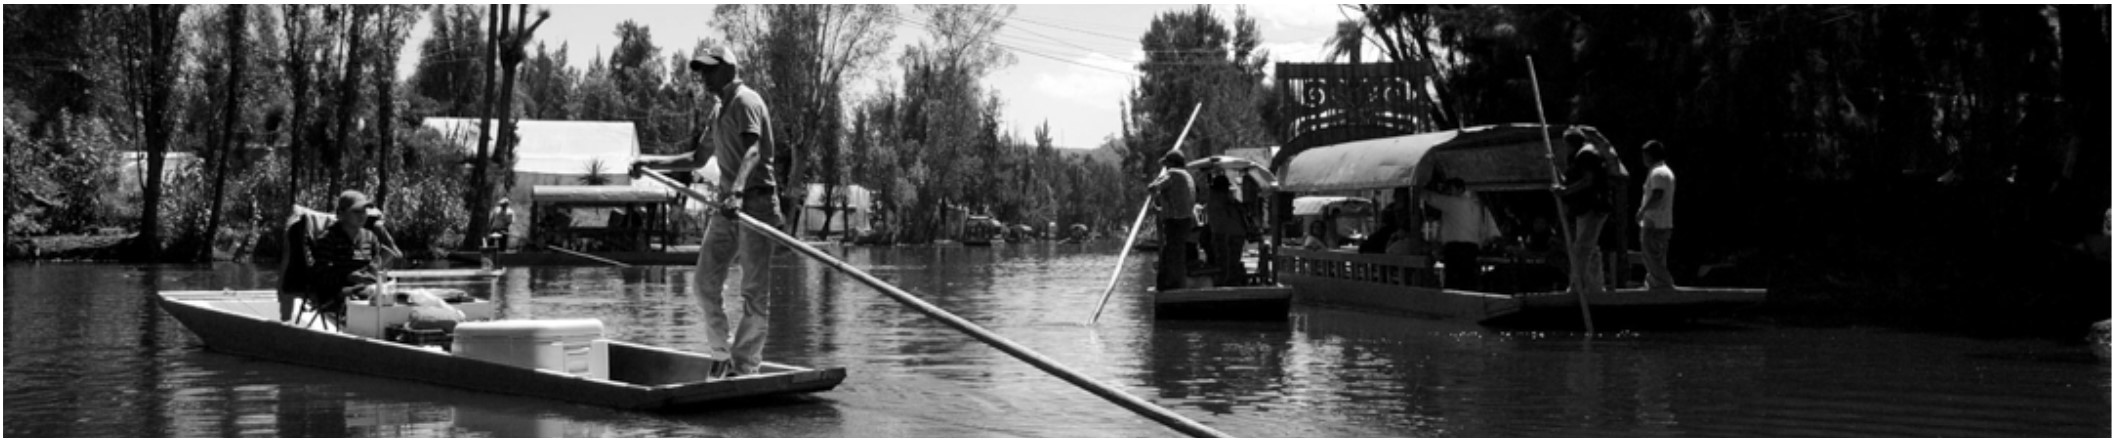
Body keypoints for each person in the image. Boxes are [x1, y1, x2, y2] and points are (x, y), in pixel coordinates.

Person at [632, 46, 786, 379]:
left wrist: (737, 192)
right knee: (704, 283)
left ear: (729, 68)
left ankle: (744, 367)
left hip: (755, 203)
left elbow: (754, 150)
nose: (703, 76)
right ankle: (722, 354)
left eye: (710, 69)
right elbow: (698, 158)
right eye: (700, 70)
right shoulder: (718, 110)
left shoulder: (746, 101)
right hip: (727, 206)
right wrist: (650, 162)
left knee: (754, 292)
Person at [308, 190, 402, 325]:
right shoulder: (327, 239)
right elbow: (320, 276)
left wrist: (375, 272)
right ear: (341, 214)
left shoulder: (370, 237)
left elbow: (376, 264)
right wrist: (348, 277)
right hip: (337, 295)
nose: (362, 215)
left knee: (399, 298)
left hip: (367, 291)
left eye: (364, 211)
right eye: (356, 211)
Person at [1555, 128, 1611, 294]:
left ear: (1570, 143)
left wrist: (1566, 191)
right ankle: (1595, 286)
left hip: (1592, 208)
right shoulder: (1579, 156)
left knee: (1582, 249)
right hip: (1585, 209)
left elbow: (1588, 180)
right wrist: (1555, 170)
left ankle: (1577, 286)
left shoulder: (1586, 155)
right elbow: (1571, 179)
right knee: (1590, 248)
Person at [1425, 177, 1499, 290]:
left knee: (1453, 281)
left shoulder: (1452, 202)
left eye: (1450, 188)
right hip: (1472, 247)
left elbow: (1431, 198)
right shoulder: (1475, 206)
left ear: (1459, 189)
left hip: (1455, 248)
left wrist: (1420, 189)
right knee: (1467, 281)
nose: (1448, 191)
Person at [1147, 150, 1196, 291]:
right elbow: (1176, 200)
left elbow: (1154, 187)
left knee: (1171, 254)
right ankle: (1174, 284)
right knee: (1176, 253)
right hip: (1185, 220)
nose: (1166, 167)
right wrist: (1158, 210)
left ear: (1172, 163)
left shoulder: (1173, 174)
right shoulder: (1187, 175)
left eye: (1166, 164)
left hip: (1176, 221)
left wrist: (1155, 183)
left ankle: (1171, 286)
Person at [1636, 140, 1678, 290]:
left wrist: (1642, 210)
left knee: (1651, 254)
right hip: (1662, 221)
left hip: (1654, 222)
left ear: (1649, 155)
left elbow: (1657, 195)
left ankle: (1662, 283)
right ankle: (1653, 283)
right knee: (1655, 256)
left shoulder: (1658, 173)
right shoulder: (1664, 171)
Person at [1204, 173, 1248, 286]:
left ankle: (1224, 281)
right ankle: (1229, 281)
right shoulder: (1223, 198)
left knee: (1223, 260)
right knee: (1230, 260)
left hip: (1221, 231)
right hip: (1230, 232)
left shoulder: (1212, 197)